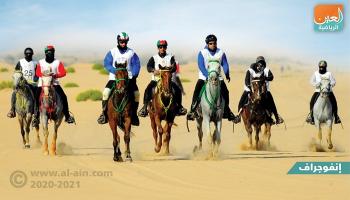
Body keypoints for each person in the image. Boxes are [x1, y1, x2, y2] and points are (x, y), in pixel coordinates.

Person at [186, 34, 239, 122]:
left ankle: (227, 111)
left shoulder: (221, 53)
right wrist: (207, 75)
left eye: (214, 43)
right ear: (207, 44)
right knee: (197, 91)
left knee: (225, 91)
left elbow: (225, 63)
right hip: (204, 77)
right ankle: (192, 110)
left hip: (218, 78)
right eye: (210, 43)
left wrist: (227, 73)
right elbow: (201, 65)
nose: (213, 45)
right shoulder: (202, 53)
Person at [97, 32, 141, 126]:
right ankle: (104, 114)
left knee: (136, 94)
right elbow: (107, 63)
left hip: (128, 79)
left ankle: (134, 116)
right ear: (118, 41)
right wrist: (115, 72)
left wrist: (134, 74)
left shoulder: (131, 52)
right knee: (105, 93)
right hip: (114, 78)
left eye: (125, 42)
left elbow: (136, 64)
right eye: (121, 41)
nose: (123, 43)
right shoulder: (112, 52)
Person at [138, 40, 187, 117]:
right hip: (156, 79)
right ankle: (144, 108)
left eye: (164, 47)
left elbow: (174, 67)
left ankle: (179, 107)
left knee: (177, 89)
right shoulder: (154, 58)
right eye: (160, 47)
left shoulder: (170, 57)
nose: (162, 48)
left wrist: (171, 68)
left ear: (166, 47)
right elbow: (148, 67)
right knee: (148, 89)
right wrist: (153, 70)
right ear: (158, 48)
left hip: (167, 80)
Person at [33, 45, 75, 125]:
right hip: (42, 84)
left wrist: (55, 75)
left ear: (54, 52)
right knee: (36, 97)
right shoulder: (40, 62)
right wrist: (44, 74)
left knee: (63, 97)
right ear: (45, 53)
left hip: (55, 84)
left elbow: (63, 73)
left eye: (51, 52)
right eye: (48, 52)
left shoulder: (58, 62)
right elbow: (37, 72)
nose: (50, 53)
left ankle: (67, 116)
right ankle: (36, 117)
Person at [237, 56, 284, 124]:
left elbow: (271, 77)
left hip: (263, 90)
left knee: (271, 101)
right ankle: (238, 116)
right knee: (242, 100)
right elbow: (247, 80)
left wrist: (265, 78)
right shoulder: (250, 69)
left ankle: (276, 117)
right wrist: (250, 89)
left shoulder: (266, 69)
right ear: (256, 63)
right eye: (259, 62)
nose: (261, 64)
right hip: (249, 88)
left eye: (262, 62)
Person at [7, 47, 38, 126]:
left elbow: (37, 73)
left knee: (36, 96)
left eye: (30, 54)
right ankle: (12, 110)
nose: (28, 55)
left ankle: (35, 115)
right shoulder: (20, 62)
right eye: (27, 53)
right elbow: (17, 71)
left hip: (32, 83)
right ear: (25, 54)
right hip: (22, 83)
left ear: (32, 54)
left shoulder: (35, 63)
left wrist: (36, 78)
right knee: (14, 93)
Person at [306, 60, 341, 124]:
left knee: (334, 103)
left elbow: (334, 81)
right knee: (311, 102)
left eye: (323, 67)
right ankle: (311, 117)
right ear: (319, 67)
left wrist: (330, 84)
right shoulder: (315, 73)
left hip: (328, 91)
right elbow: (311, 81)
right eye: (320, 67)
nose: (321, 68)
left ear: (325, 67)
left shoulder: (329, 74)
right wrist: (316, 84)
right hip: (318, 91)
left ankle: (336, 117)